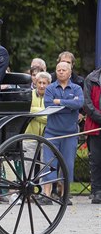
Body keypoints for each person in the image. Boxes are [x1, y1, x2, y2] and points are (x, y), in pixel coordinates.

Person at [43, 61, 84, 206]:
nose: (60, 72)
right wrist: (69, 104)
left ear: (70, 72)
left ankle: (64, 195)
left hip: (70, 134)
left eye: (64, 70)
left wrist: (59, 101)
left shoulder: (77, 88)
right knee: (48, 164)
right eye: (58, 69)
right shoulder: (50, 88)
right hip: (52, 133)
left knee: (68, 165)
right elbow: (48, 104)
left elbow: (79, 104)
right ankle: (47, 195)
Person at [21, 72, 51, 205]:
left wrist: (35, 112)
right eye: (40, 82)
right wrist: (43, 112)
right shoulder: (29, 95)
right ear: (35, 83)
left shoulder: (51, 96)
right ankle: (26, 192)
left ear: (49, 85)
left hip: (47, 135)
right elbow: (26, 111)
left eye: (45, 83)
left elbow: (51, 117)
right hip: (29, 135)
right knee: (28, 165)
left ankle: (45, 194)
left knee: (46, 165)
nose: (42, 85)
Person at [83, 67, 101, 204]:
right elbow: (87, 103)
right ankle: (96, 191)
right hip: (95, 125)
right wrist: (98, 117)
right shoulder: (91, 78)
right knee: (95, 160)